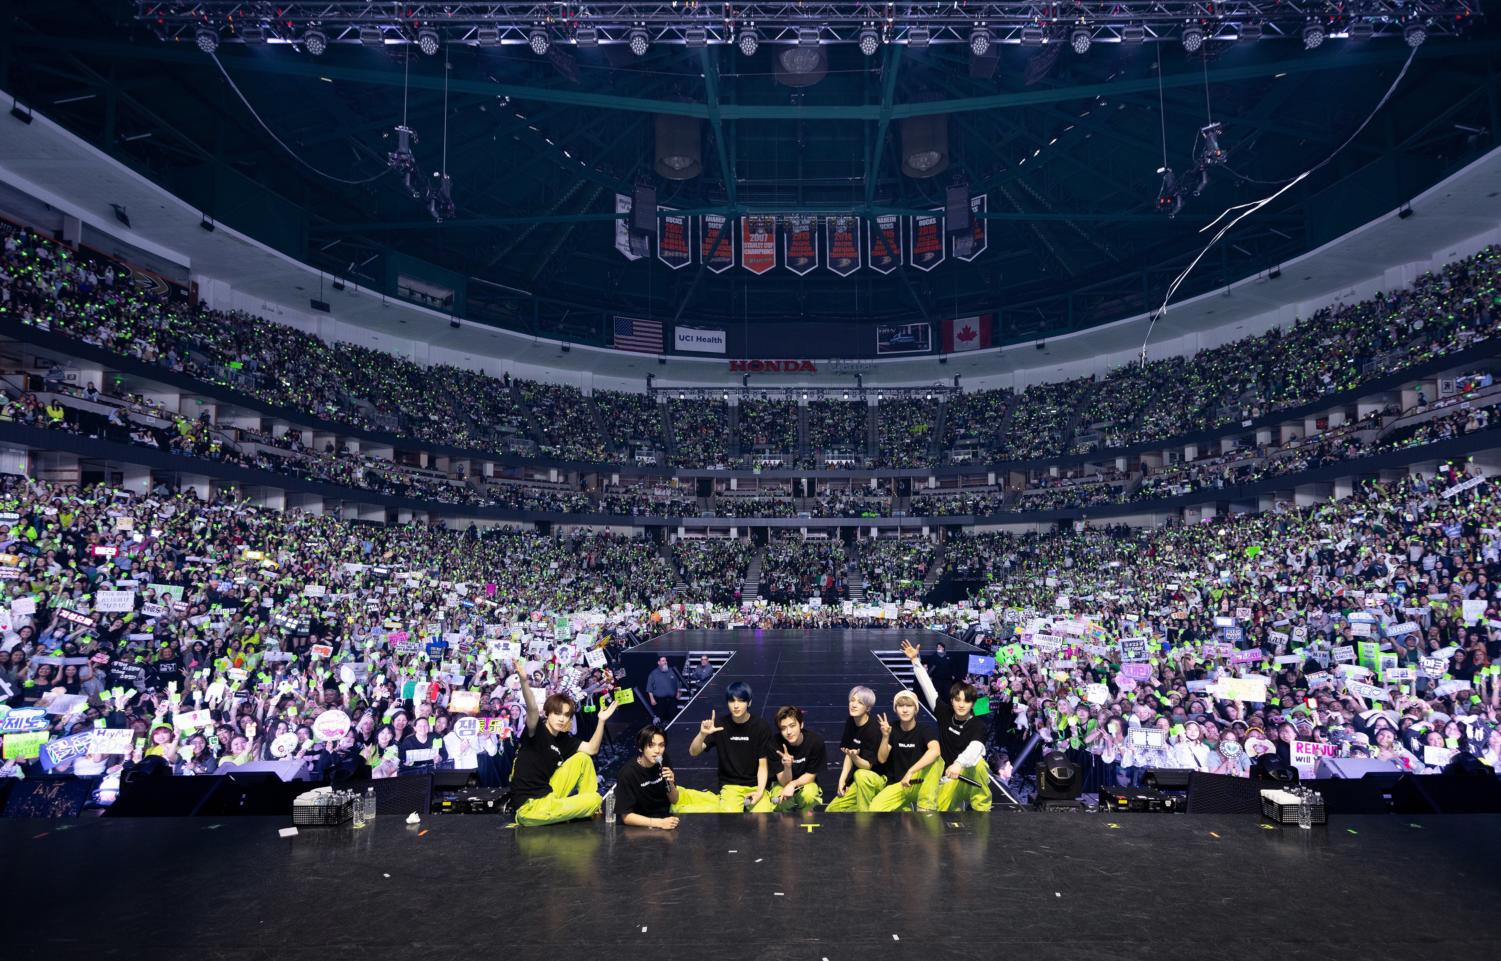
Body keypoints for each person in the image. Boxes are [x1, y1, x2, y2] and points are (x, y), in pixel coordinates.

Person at [508, 659, 620, 826]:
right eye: (557, 713)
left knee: (583, 759)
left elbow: (592, 749)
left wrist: (601, 721)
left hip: (549, 795)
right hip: (531, 807)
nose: (562, 718)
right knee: (595, 799)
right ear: (547, 713)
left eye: (566, 715)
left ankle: (587, 807)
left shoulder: (562, 739)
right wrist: (524, 681)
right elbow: (532, 709)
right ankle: (588, 806)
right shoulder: (536, 730)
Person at [903, 639, 992, 812]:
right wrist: (915, 661)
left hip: (966, 775)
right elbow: (929, 688)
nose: (961, 705)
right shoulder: (944, 713)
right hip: (948, 777)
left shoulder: (977, 724)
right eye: (957, 700)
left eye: (966, 701)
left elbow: (976, 747)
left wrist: (959, 764)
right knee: (945, 814)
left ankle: (982, 810)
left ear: (973, 704)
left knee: (980, 764)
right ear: (951, 701)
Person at [688, 681, 775, 812]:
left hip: (756, 785)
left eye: (741, 701)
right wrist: (702, 734)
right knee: (729, 819)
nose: (736, 706)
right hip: (730, 786)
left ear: (749, 702)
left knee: (763, 816)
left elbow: (763, 765)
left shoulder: (761, 727)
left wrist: (760, 792)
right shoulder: (719, 725)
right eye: (732, 701)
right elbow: (693, 752)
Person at [615, 725, 720, 829]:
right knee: (711, 811)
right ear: (640, 747)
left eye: (661, 745)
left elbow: (674, 799)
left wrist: (670, 782)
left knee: (716, 801)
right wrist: (659, 823)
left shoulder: (663, 759)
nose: (657, 750)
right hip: (649, 819)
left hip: (669, 807)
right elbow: (626, 817)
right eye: (651, 745)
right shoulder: (628, 773)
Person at [868, 689, 942, 812]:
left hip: (919, 784)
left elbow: (935, 751)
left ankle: (925, 806)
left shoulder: (924, 730)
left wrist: (911, 771)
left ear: (916, 709)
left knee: (937, 760)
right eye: (901, 706)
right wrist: (885, 736)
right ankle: (905, 808)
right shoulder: (891, 729)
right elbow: (882, 759)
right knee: (875, 809)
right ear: (895, 709)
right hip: (899, 785)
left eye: (909, 706)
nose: (905, 710)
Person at [826, 685, 886, 811]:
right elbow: (849, 753)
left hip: (875, 778)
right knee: (832, 810)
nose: (853, 705)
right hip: (859, 779)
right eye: (852, 700)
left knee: (860, 774)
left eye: (859, 702)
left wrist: (854, 757)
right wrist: (842, 781)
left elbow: (868, 766)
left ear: (868, 708)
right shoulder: (851, 721)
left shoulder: (874, 729)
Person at [770, 705, 826, 812]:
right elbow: (783, 782)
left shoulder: (815, 742)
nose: (788, 732)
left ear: (801, 724)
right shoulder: (774, 744)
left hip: (805, 782)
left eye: (792, 725)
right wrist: (787, 767)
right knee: (781, 802)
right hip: (781, 782)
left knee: (809, 796)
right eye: (783, 728)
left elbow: (811, 775)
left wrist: (793, 784)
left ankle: (807, 815)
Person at [644, 655, 685, 723]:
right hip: (660, 701)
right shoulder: (653, 673)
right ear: (659, 662)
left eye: (665, 660)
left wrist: (678, 692)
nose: (665, 662)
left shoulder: (672, 671)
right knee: (661, 719)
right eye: (663, 661)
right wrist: (652, 699)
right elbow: (649, 687)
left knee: (674, 719)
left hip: (672, 700)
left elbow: (678, 683)